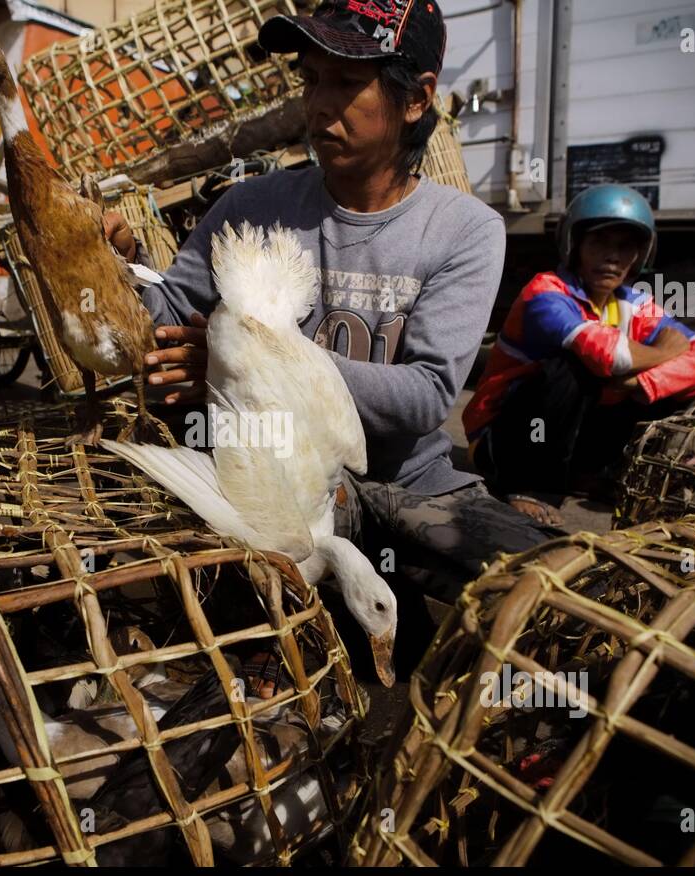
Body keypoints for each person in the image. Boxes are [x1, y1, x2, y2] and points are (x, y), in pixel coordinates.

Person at [104, 0, 554, 678]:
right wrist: (111, 267)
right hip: (278, 485)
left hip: (409, 480)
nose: (318, 105)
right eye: (311, 80)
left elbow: (426, 395)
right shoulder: (252, 207)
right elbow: (166, 312)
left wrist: (245, 363)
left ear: (416, 100)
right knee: (241, 654)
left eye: (346, 83)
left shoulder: (464, 231)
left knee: (542, 594)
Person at [462, 184, 695, 524]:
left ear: (639, 256)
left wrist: (637, 383)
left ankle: (586, 473)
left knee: (661, 385)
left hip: (566, 434)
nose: (612, 257)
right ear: (575, 245)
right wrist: (662, 353)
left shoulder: (634, 303)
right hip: (500, 440)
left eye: (625, 246)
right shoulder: (545, 292)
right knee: (573, 367)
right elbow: (609, 355)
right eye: (599, 242)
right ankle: (529, 486)